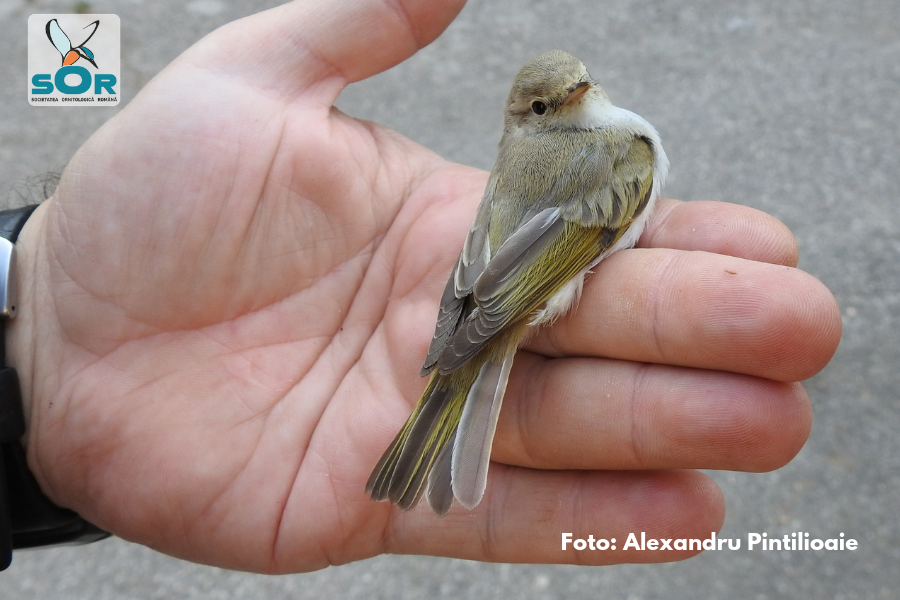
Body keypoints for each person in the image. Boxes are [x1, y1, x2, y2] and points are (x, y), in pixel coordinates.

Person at [6, 0, 840, 572]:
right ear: (527, 119)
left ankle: (438, 417)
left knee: (473, 366)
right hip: (523, 287)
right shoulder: (623, 155)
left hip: (483, 283)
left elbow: (495, 243)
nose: (578, 100)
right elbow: (565, 245)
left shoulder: (563, 150)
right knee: (485, 361)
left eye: (582, 85)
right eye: (553, 104)